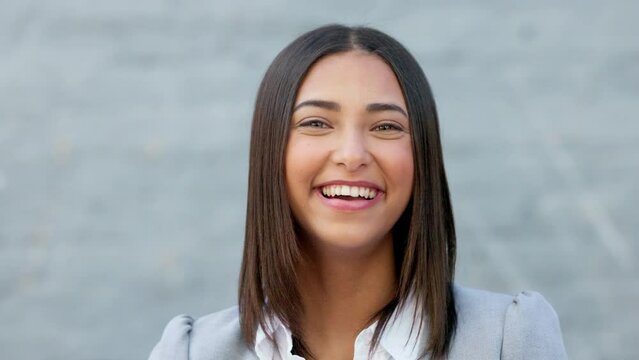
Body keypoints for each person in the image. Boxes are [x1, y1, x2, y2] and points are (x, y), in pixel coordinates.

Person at [148, 24, 567, 360]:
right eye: (315, 123)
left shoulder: (509, 341)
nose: (352, 155)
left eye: (386, 127)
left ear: (423, 156)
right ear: (269, 151)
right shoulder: (189, 352)